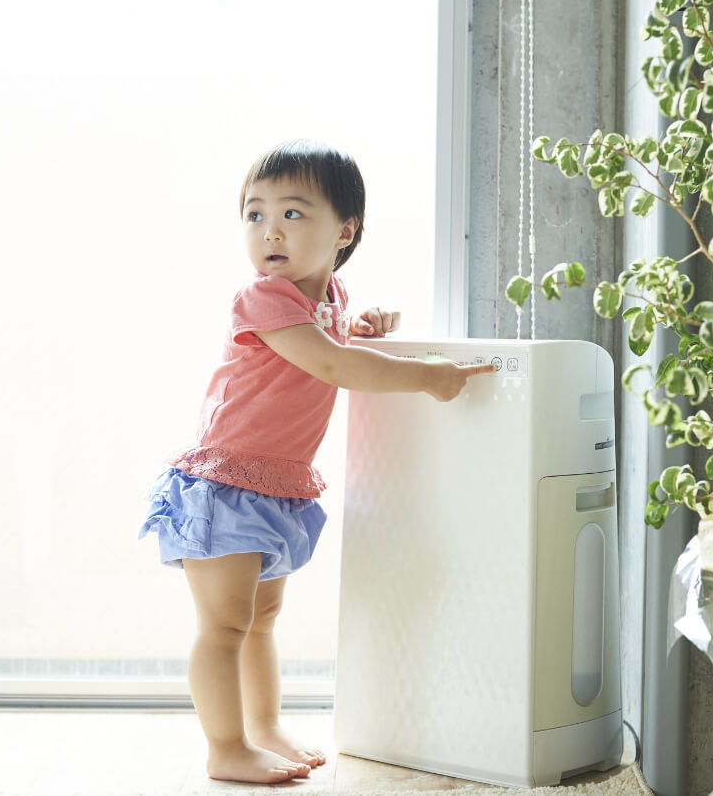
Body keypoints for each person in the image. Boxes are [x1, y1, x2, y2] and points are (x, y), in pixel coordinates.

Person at [140, 139, 495, 784]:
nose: (269, 231)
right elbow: (327, 364)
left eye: (293, 214)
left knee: (262, 619)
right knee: (223, 624)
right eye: (254, 214)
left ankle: (263, 725)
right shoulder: (263, 299)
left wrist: (359, 328)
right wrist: (424, 377)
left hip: (274, 483)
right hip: (223, 482)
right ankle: (225, 746)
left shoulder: (328, 294)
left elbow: (331, 344)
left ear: (345, 229)